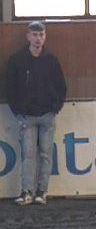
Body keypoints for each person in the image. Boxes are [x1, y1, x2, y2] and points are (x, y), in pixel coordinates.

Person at [6, 21, 67, 206]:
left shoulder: (52, 61)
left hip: (47, 115)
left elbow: (61, 87)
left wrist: (55, 108)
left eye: (41, 35)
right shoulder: (17, 61)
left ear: (45, 36)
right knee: (29, 155)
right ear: (28, 36)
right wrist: (18, 111)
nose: (38, 38)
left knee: (45, 155)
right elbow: (10, 88)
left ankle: (41, 191)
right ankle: (27, 192)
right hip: (27, 116)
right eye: (34, 35)